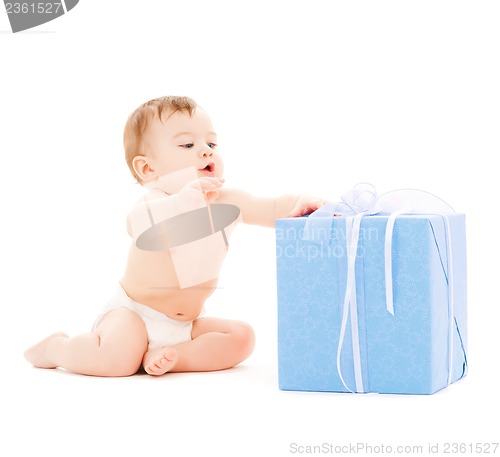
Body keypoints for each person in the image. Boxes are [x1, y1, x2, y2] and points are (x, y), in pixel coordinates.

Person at [24, 96, 326, 377]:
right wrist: (183, 203)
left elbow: (270, 207)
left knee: (242, 338)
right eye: (187, 145)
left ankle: (174, 357)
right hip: (133, 313)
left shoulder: (227, 200)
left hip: (184, 325)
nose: (206, 150)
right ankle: (57, 347)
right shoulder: (156, 203)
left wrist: (300, 203)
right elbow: (137, 225)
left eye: (211, 142)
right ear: (147, 168)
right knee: (117, 359)